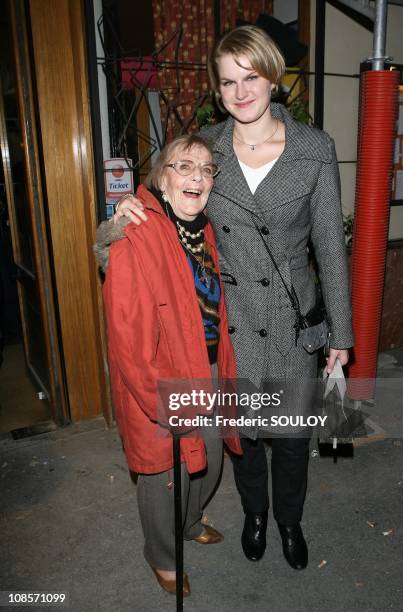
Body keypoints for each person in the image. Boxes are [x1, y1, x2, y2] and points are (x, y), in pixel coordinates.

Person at [96, 25, 353, 571]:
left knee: (288, 440)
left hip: (290, 324)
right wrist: (123, 216)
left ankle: (288, 521)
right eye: (228, 81)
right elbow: (162, 200)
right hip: (227, 325)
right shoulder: (207, 147)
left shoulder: (315, 148)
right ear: (217, 88)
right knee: (246, 440)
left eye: (250, 77)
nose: (241, 92)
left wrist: (341, 338)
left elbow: (331, 247)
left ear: (272, 77)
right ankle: (255, 515)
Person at [97, 133, 242, 596]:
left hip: (210, 365)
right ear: (161, 177)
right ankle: (161, 555)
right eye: (184, 166)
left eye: (205, 169)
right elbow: (128, 335)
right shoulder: (135, 233)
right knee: (164, 473)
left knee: (211, 458)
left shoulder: (206, 231)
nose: (196, 177)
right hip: (161, 378)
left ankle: (190, 520)